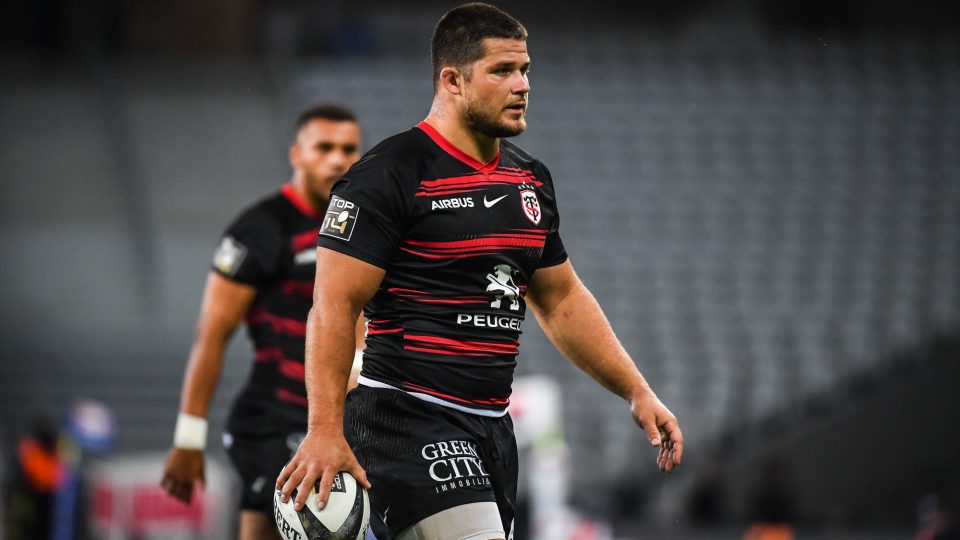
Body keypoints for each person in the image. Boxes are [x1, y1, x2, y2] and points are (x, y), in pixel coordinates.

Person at [276, 4, 684, 540]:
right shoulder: (387, 176)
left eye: (526, 70)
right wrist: (325, 428)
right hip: (406, 416)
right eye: (502, 71)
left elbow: (560, 299)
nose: (522, 85)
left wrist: (635, 391)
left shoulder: (530, 179)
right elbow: (333, 306)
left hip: (492, 429)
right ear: (452, 79)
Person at [160, 104, 364, 540]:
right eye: (323, 147)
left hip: (349, 420)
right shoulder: (262, 229)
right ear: (296, 153)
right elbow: (212, 337)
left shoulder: (365, 225)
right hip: (275, 418)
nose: (337, 159)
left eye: (348, 148)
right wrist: (189, 436)